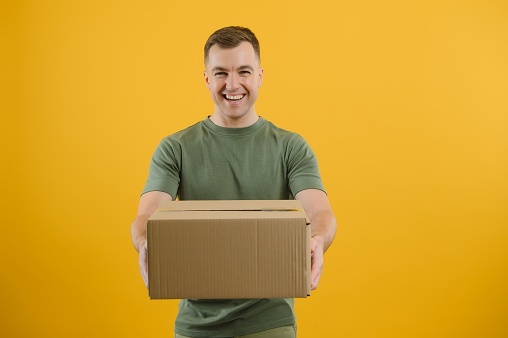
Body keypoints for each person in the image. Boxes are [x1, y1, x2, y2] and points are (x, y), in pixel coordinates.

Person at [131, 26, 336, 338]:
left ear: (260, 76)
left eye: (243, 71)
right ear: (206, 79)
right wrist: (146, 242)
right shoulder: (176, 148)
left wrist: (317, 241)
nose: (232, 84)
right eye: (220, 73)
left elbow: (320, 212)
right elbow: (148, 214)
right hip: (197, 325)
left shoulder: (290, 147)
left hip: (270, 321)